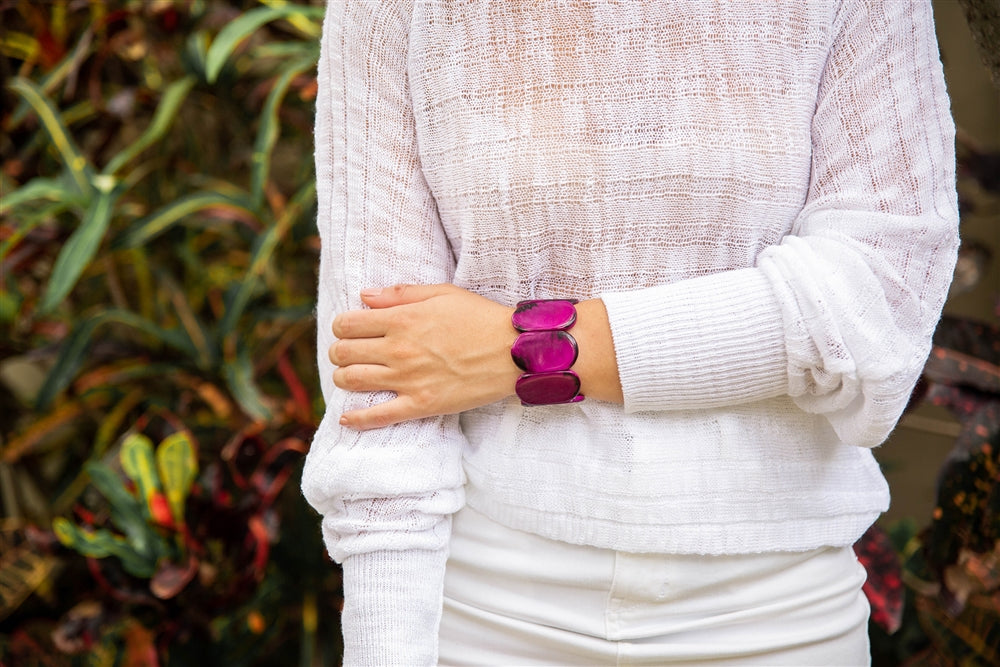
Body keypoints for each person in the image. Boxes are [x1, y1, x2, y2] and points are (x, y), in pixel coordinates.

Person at [301, 0, 959, 664]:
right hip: (481, 606)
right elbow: (381, 379)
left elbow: (877, 299)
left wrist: (523, 351)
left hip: (776, 612)